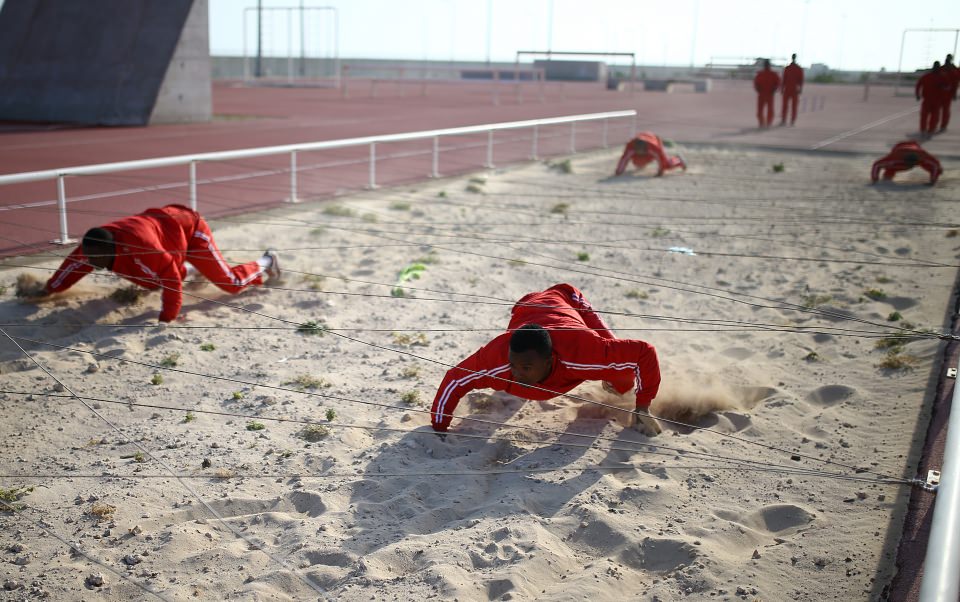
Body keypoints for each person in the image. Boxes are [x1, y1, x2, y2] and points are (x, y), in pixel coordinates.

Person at [430, 283, 662, 435]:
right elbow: (454, 379)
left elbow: (644, 352)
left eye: (526, 368)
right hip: (525, 308)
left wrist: (643, 406)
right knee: (509, 377)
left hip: (566, 298)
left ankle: (620, 387)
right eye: (514, 365)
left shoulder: (582, 351)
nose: (517, 373)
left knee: (622, 379)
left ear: (550, 360)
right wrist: (439, 428)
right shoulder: (497, 356)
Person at [31, 204, 281, 322]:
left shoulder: (142, 248)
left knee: (231, 283)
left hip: (191, 232)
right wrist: (49, 288)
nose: (92, 264)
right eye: (90, 259)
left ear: (113, 249)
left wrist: (167, 317)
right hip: (166, 241)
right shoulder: (93, 247)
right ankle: (194, 270)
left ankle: (267, 260)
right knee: (150, 282)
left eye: (98, 260)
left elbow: (171, 278)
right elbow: (71, 268)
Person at [614, 132, 686, 177]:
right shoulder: (630, 147)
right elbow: (624, 159)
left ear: (644, 148)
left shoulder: (654, 148)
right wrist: (619, 171)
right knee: (638, 163)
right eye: (637, 150)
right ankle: (644, 162)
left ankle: (679, 160)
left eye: (640, 151)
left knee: (666, 165)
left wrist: (660, 171)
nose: (639, 152)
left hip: (655, 140)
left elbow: (660, 160)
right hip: (644, 139)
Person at [870, 141, 942, 186]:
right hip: (899, 148)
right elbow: (876, 165)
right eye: (909, 164)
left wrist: (933, 180)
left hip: (915, 147)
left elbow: (935, 164)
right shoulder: (895, 157)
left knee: (936, 169)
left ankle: (934, 176)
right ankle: (887, 177)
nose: (910, 166)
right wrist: (875, 180)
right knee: (891, 167)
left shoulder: (923, 156)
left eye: (913, 164)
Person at [915, 61, 949, 136]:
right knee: (926, 116)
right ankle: (926, 130)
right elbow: (918, 85)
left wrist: (917, 95)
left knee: (931, 116)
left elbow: (947, 87)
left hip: (935, 100)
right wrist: (917, 94)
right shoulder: (940, 76)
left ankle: (928, 129)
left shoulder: (941, 77)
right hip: (930, 100)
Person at [753, 59, 781, 128]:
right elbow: (755, 83)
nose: (766, 65)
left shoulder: (773, 74)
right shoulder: (761, 74)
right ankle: (762, 123)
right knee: (761, 110)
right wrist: (758, 89)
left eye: (767, 64)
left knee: (769, 110)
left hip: (769, 94)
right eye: (766, 64)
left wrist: (774, 90)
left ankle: (768, 123)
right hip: (763, 94)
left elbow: (778, 83)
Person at [780, 54, 804, 126]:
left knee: (792, 106)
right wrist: (782, 88)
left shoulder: (794, 68)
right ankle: (785, 120)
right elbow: (784, 79)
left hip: (793, 89)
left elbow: (800, 80)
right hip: (790, 89)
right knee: (786, 106)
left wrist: (800, 88)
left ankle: (791, 120)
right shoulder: (789, 68)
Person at [940, 54, 959, 132]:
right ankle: (933, 126)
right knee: (936, 111)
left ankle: (943, 125)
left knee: (945, 110)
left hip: (948, 94)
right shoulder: (941, 69)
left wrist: (954, 93)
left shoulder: (954, 70)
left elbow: (956, 83)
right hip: (938, 93)